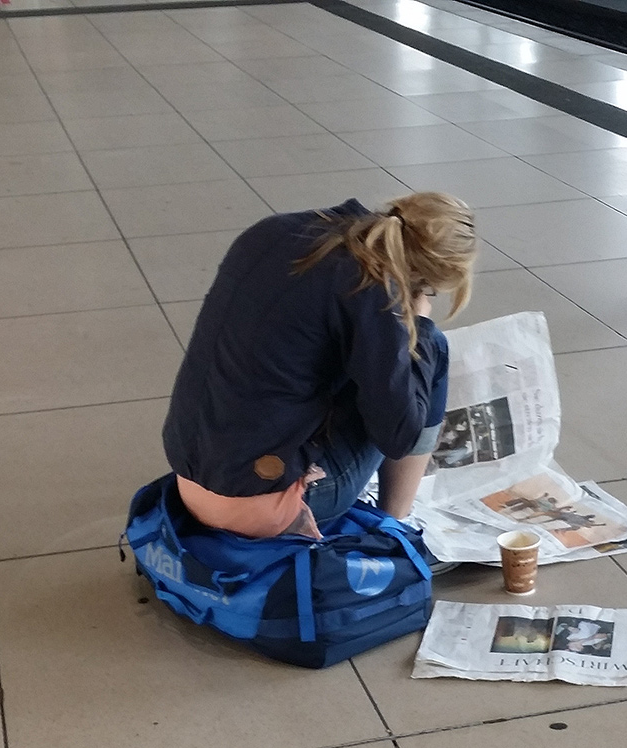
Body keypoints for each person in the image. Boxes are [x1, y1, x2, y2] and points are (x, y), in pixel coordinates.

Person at [162, 192, 475, 540]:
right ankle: (393, 525)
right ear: (424, 278)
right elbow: (399, 435)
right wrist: (418, 320)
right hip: (258, 503)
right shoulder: (370, 285)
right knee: (431, 346)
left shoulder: (275, 228)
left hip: (190, 479)